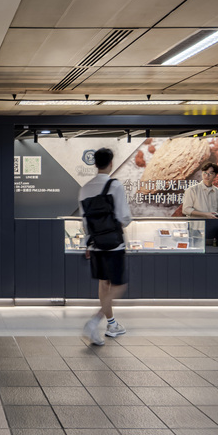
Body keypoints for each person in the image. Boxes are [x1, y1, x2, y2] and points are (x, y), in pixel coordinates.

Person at [79, 148, 132, 345]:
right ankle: (94, 322)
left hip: (96, 245)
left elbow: (84, 221)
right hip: (114, 243)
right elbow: (124, 216)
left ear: (95, 164)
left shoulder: (84, 188)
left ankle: (111, 324)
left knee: (104, 284)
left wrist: (88, 242)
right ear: (110, 163)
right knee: (119, 285)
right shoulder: (114, 185)